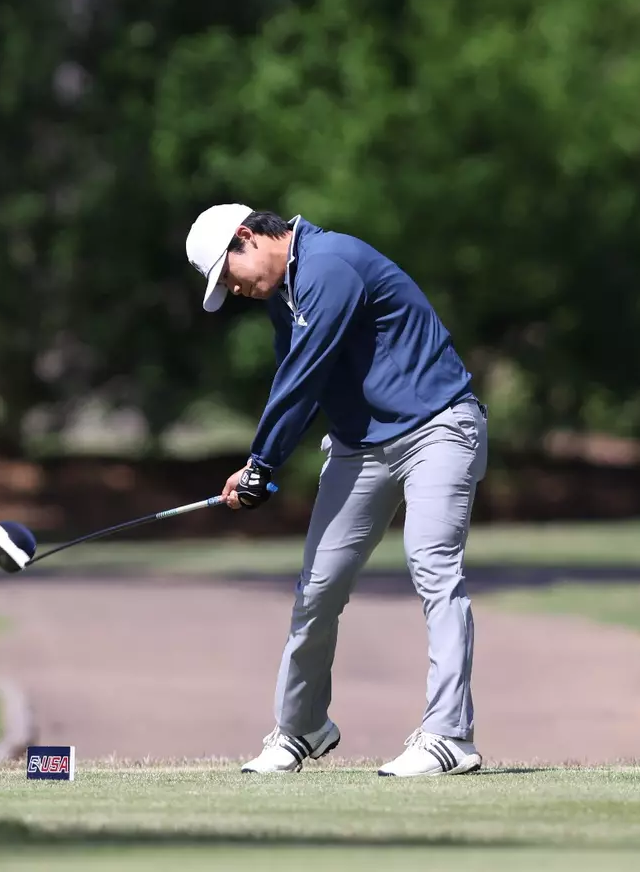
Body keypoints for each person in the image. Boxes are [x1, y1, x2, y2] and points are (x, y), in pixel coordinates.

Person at [184, 203, 490, 777]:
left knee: (434, 568)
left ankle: (450, 735)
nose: (235, 291)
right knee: (318, 588)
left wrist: (260, 463)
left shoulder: (328, 264)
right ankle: (301, 727)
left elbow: (303, 376)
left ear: (248, 237)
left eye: (229, 276)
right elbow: (298, 384)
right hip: (360, 447)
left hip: (438, 427)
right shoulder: (284, 295)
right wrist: (260, 467)